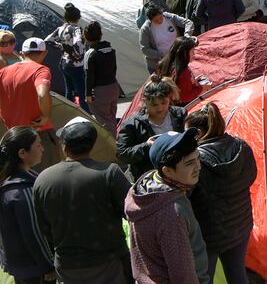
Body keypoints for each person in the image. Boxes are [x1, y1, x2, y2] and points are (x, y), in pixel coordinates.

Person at [33, 117, 132, 284]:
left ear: (64, 145)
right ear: (92, 144)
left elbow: (43, 227)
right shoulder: (109, 173)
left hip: (68, 265)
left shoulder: (43, 179)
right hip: (110, 261)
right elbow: (131, 212)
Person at [125, 128, 209, 284]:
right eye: (190, 163)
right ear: (168, 170)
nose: (198, 167)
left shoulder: (144, 188)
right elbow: (182, 273)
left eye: (198, 158)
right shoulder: (171, 212)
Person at [186, 104, 257, 284]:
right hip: (240, 224)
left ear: (199, 133)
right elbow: (251, 176)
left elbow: (187, 194)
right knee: (238, 274)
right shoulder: (242, 147)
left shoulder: (197, 160)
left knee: (204, 278)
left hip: (210, 234)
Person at [0, 126, 55, 284]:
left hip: (21, 265)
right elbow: (34, 233)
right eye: (38, 145)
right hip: (35, 268)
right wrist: (48, 266)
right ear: (22, 153)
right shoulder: (21, 192)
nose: (43, 149)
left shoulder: (9, 180)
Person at [0, 38, 57, 169]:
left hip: (13, 135)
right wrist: (45, 116)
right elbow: (42, 94)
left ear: (21, 52)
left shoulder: (3, 72)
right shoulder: (41, 70)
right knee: (45, 178)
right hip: (38, 134)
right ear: (44, 53)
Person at [116, 75, 187, 180]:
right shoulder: (132, 124)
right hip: (148, 177)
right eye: (154, 105)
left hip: (177, 172)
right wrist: (146, 146)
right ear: (145, 101)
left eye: (164, 103)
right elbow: (122, 154)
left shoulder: (179, 114)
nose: (160, 108)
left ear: (170, 98)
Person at [44, 3, 87, 112]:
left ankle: (69, 110)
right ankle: (85, 111)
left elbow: (47, 41)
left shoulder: (60, 28)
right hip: (76, 64)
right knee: (82, 90)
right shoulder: (76, 29)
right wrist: (78, 54)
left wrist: (62, 47)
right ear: (78, 18)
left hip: (64, 62)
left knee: (69, 89)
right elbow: (78, 43)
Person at [82, 22, 121, 131]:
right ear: (100, 35)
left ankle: (113, 145)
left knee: (104, 122)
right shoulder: (110, 50)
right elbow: (114, 68)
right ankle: (117, 140)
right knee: (111, 119)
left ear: (86, 37)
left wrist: (88, 94)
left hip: (100, 92)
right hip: (113, 87)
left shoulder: (90, 54)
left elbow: (88, 75)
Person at [139, 5, 194, 73]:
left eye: (160, 18)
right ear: (150, 20)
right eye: (155, 20)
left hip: (175, 60)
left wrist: (187, 36)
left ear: (162, 13)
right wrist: (161, 54)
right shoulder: (145, 29)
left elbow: (188, 23)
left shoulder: (169, 17)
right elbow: (145, 49)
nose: (159, 21)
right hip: (158, 64)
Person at [157, 37, 207, 107]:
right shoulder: (183, 72)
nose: (194, 54)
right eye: (192, 51)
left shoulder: (166, 63)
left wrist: (192, 81)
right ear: (184, 53)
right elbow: (185, 97)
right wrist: (201, 88)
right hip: (181, 107)